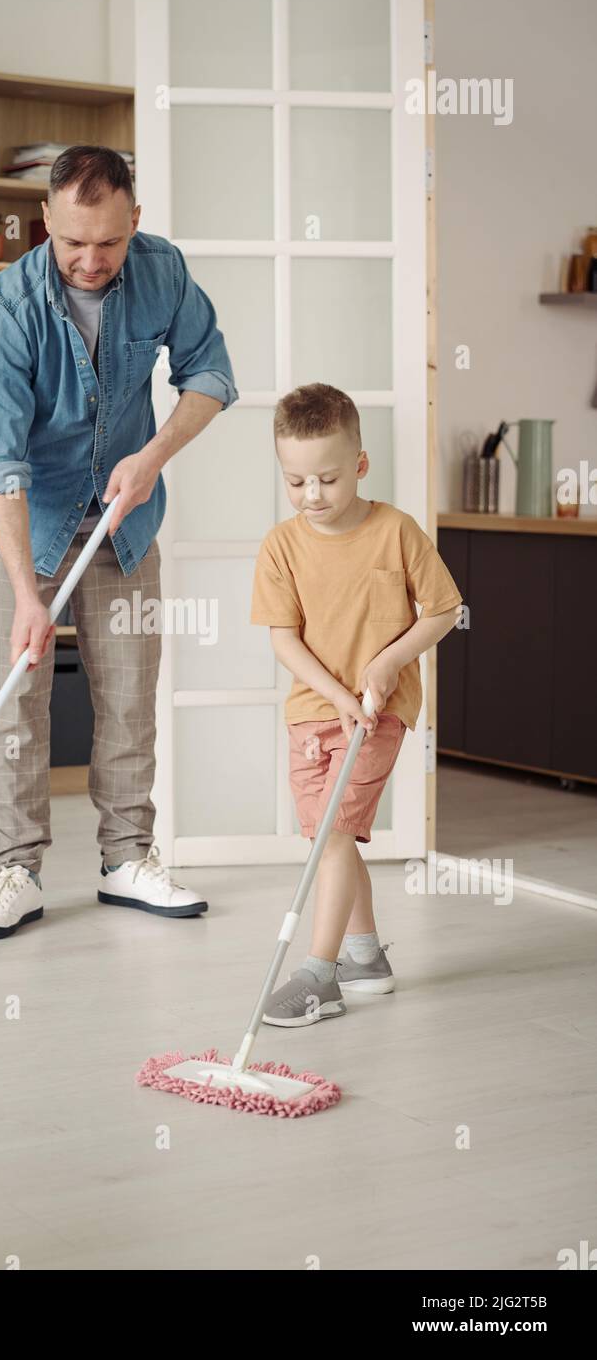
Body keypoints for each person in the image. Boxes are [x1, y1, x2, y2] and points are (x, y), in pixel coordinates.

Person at [0, 145, 238, 937]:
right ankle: (17, 871)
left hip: (124, 523)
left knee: (127, 700)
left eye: (108, 243)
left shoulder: (161, 271)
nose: (90, 259)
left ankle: (127, 860)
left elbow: (210, 375)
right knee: (16, 703)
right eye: (73, 241)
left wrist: (151, 459)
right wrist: (23, 595)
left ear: (134, 223)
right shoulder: (3, 312)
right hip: (29, 526)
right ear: (44, 220)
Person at [250, 383, 462, 1026]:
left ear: (360, 466)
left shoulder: (396, 531)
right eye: (296, 481)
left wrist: (386, 663)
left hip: (379, 712)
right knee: (328, 837)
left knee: (334, 836)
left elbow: (445, 611)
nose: (312, 495)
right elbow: (283, 638)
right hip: (313, 713)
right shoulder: (281, 546)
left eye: (328, 479)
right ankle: (365, 957)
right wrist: (338, 693)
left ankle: (320, 975)